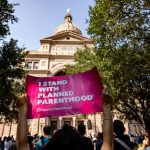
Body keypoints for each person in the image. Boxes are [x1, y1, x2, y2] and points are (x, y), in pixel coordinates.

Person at [16, 93, 113, 150]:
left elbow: (22, 144)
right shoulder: (86, 143)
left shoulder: (43, 144)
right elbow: (108, 144)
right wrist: (107, 109)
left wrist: (22, 111)